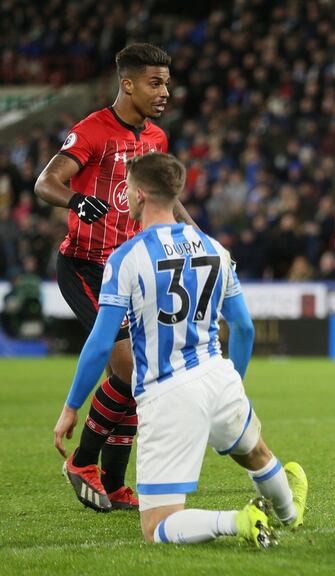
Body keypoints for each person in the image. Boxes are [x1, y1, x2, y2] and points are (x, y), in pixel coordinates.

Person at [51, 152, 307, 546]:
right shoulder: (215, 248)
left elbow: (102, 342)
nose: (126, 197)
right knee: (255, 453)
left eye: (128, 189)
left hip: (167, 392)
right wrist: (234, 384)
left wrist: (71, 406)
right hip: (219, 378)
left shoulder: (126, 258)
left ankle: (239, 521)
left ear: (140, 194)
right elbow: (243, 327)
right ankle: (290, 514)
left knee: (156, 527)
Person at [34, 43, 196, 512]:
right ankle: (83, 461)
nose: (165, 92)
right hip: (86, 265)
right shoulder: (92, 131)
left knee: (129, 381)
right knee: (128, 369)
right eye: (154, 83)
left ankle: (114, 482)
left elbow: (165, 198)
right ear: (127, 84)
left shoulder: (157, 138)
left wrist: (195, 235)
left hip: (131, 269)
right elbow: (46, 182)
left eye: (166, 83)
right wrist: (75, 200)